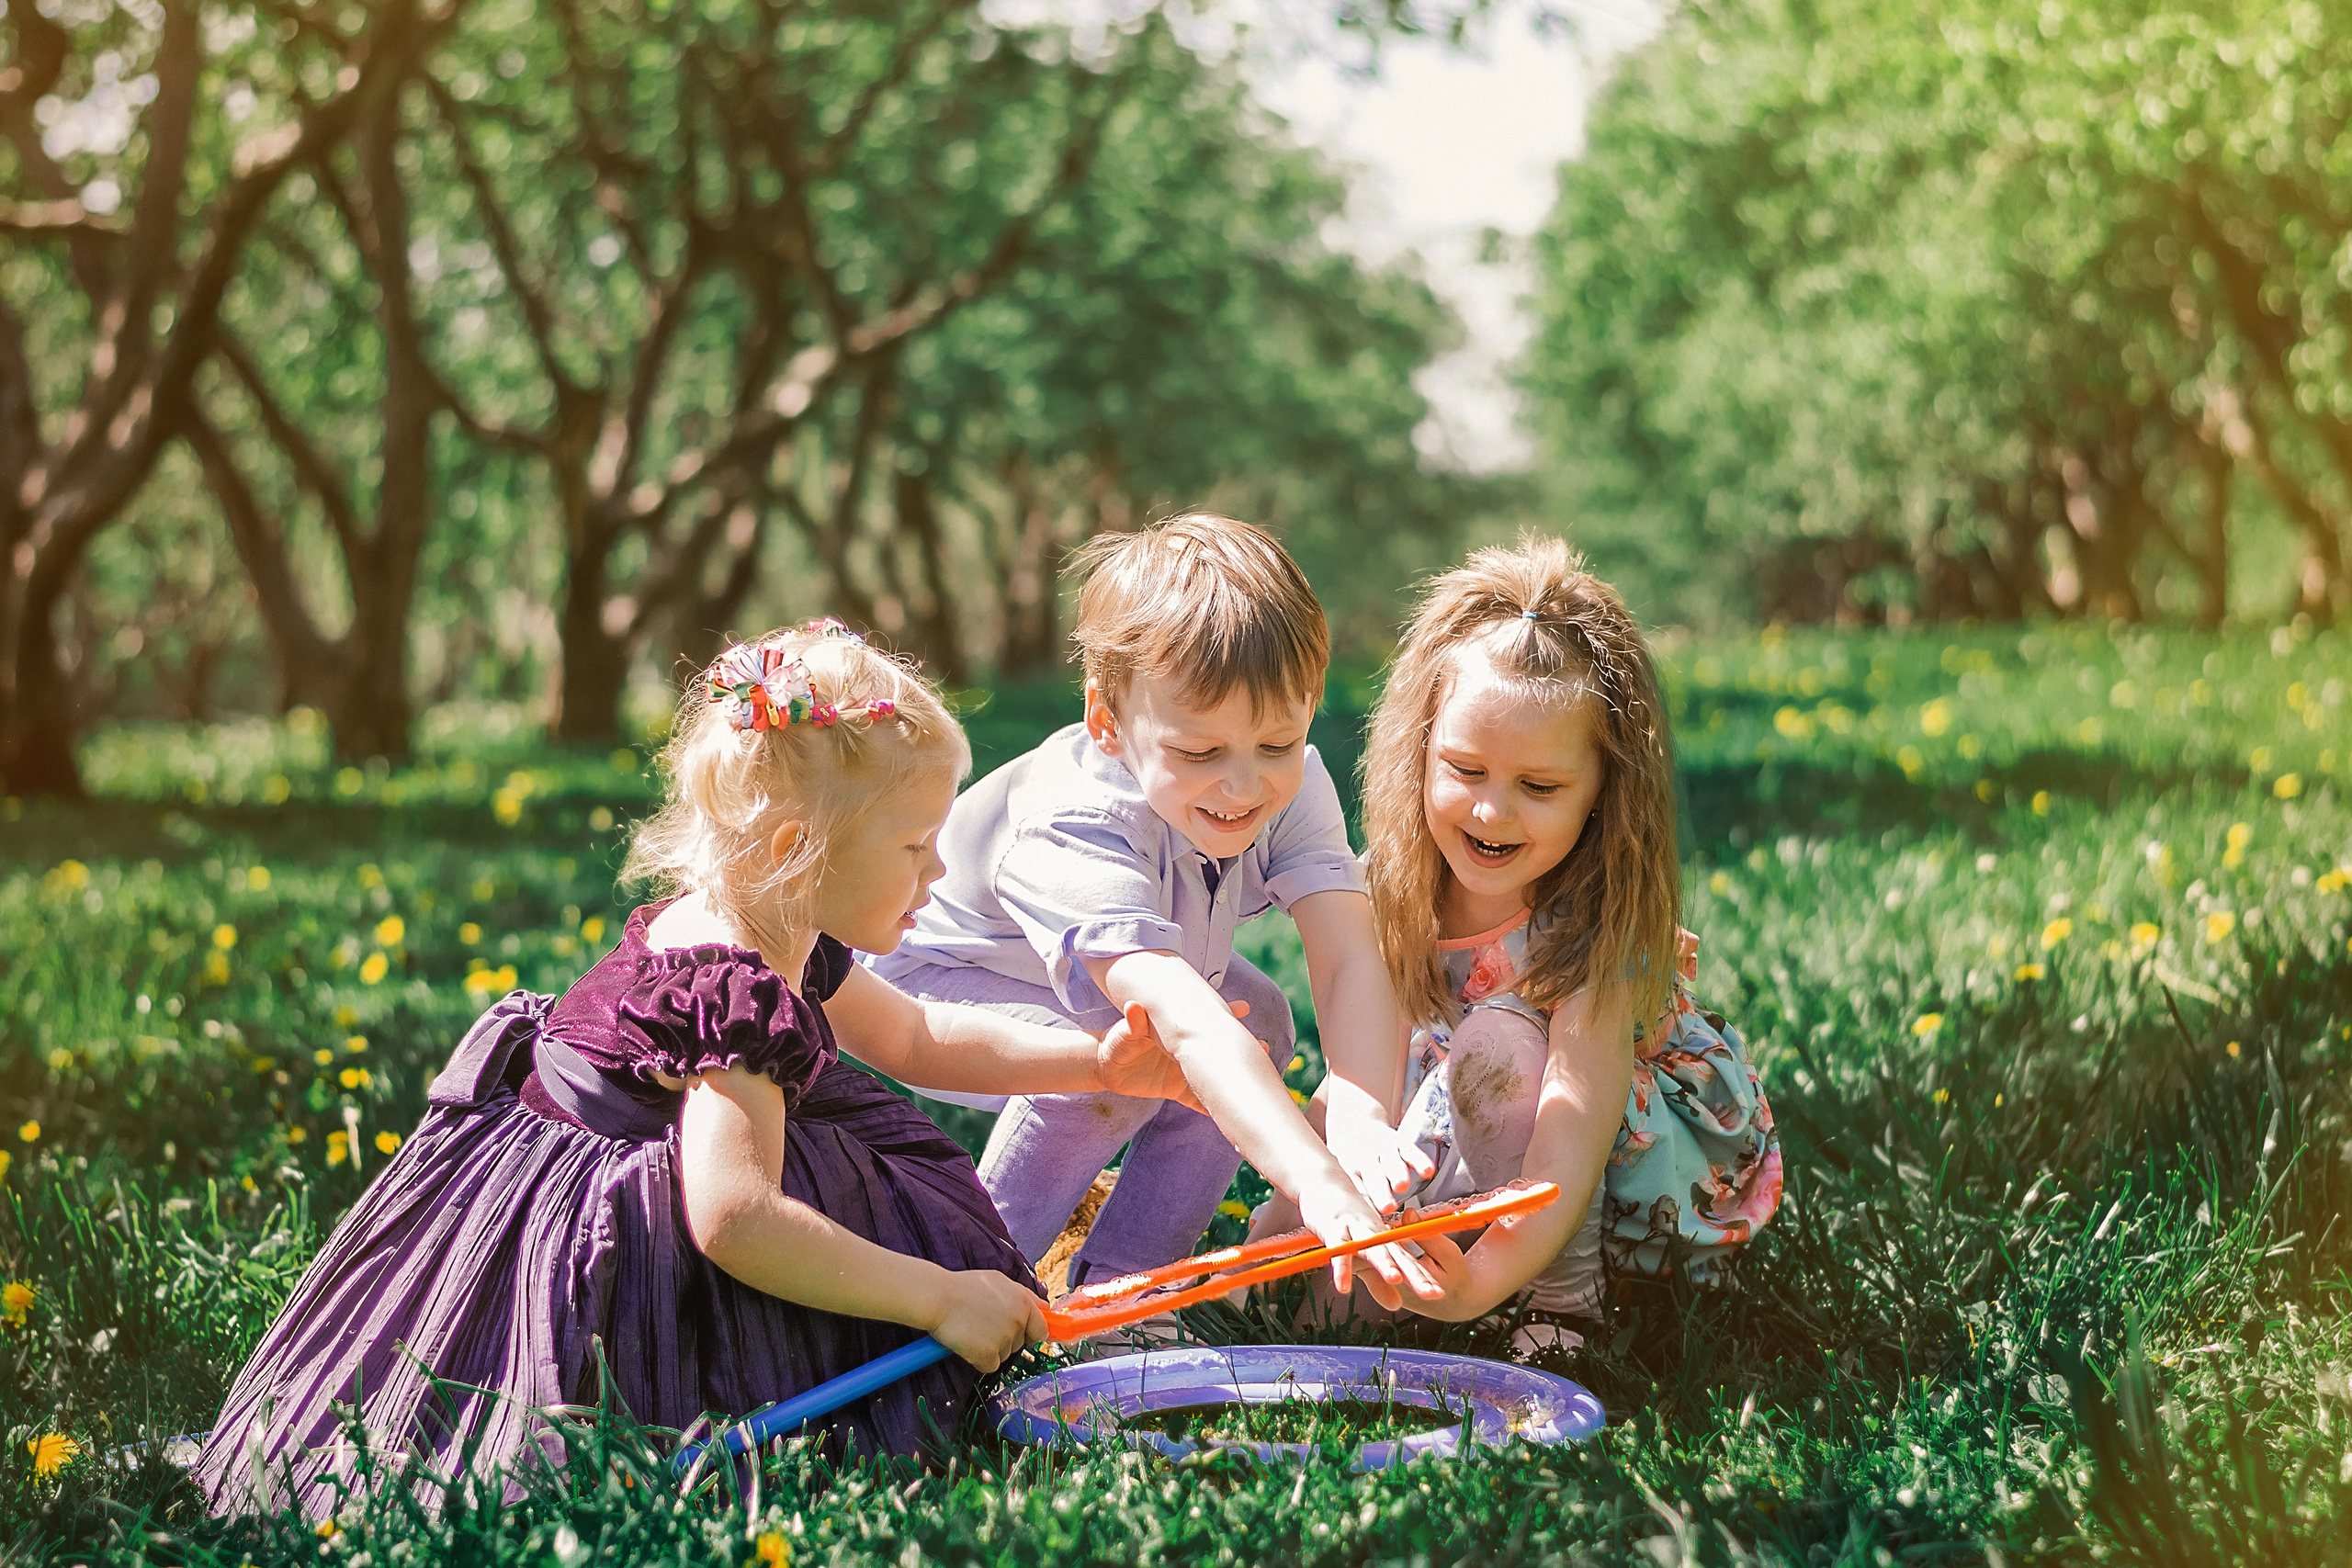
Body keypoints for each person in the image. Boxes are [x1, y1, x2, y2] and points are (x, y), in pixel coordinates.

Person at [196, 621, 1209, 1515]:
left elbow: (915, 1039)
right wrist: (933, 1296)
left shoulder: (773, 926)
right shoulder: (734, 994)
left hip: (589, 1183)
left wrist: (1093, 1063)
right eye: (913, 847)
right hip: (611, 1252)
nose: (938, 875)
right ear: (794, 847)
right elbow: (733, 1219)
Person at [874, 514, 1439, 1309]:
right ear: (1108, 720)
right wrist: (1311, 1176)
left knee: (1261, 1022)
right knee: (1128, 1050)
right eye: (1200, 753)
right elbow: (1175, 1015)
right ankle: (964, 1280)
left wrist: (1359, 1120)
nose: (1244, 787)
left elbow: (1350, 956)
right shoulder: (1076, 819)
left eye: (1276, 743)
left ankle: (1122, 1297)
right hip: (934, 981)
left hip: (1130, 983)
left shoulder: (1293, 784)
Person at [1256, 536, 1781, 1358]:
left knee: (1497, 1039)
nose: (1493, 812)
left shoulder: (1595, 921)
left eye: (1539, 787)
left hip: (1621, 1184)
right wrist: (1307, 1191)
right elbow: (1370, 1074)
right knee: (1324, 1311)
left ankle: (1563, 1302)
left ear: (1606, 788)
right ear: (1419, 749)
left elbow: (1569, 1139)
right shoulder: (1393, 887)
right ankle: (1475, 1261)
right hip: (1482, 1121)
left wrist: (1477, 1286)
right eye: (1464, 768)